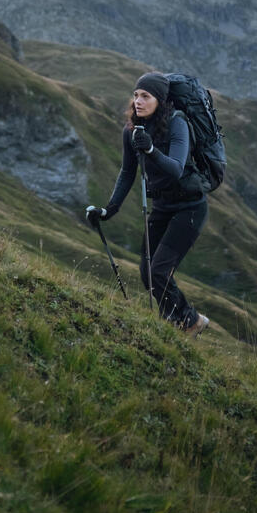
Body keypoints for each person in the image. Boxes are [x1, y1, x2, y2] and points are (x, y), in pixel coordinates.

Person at [87, 72, 210, 337]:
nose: (138, 101)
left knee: (160, 270)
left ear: (160, 100)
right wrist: (109, 210)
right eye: (135, 95)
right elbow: (127, 172)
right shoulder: (131, 130)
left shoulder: (178, 123)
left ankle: (188, 323)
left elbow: (176, 169)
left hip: (190, 207)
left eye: (145, 96)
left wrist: (152, 150)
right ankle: (180, 323)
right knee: (147, 273)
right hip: (163, 206)